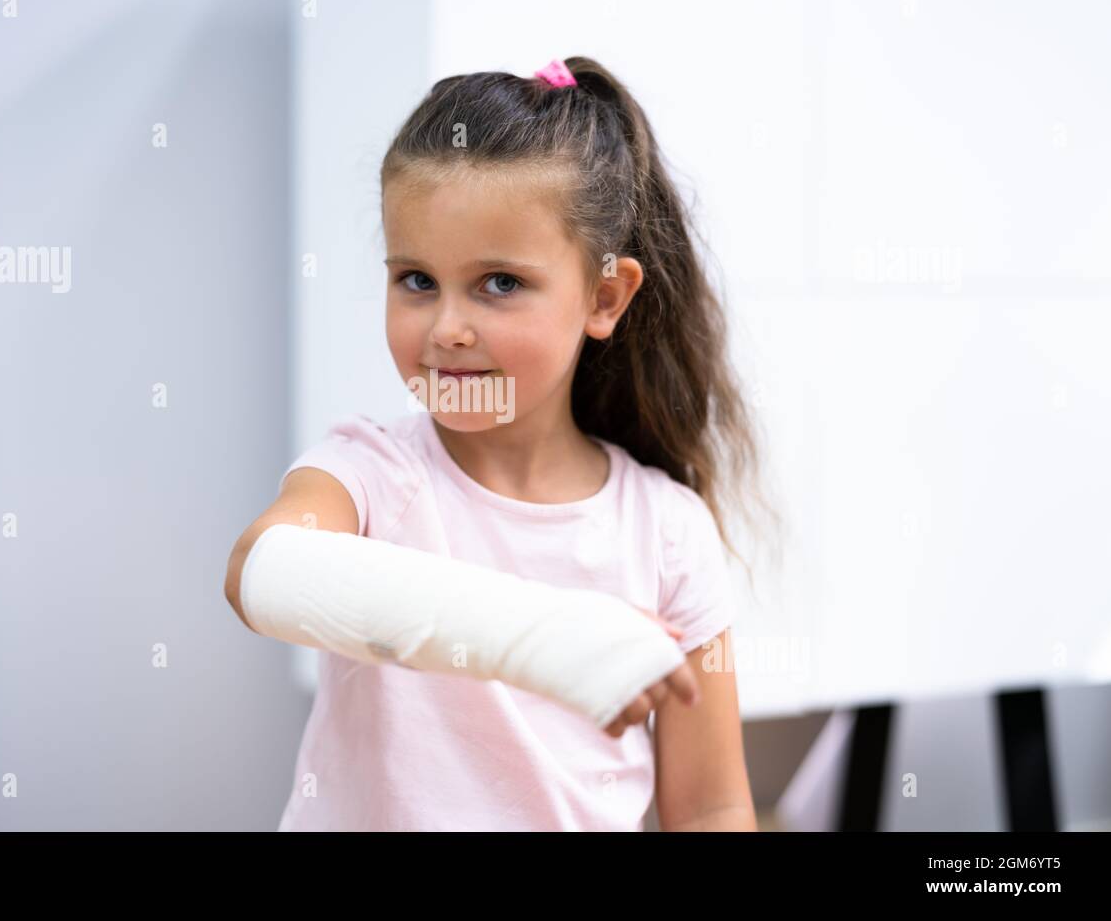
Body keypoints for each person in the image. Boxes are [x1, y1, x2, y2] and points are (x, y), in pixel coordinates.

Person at [225, 57, 770, 831]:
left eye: (500, 284)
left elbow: (712, 806)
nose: (446, 328)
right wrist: (544, 639)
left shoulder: (667, 532)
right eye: (416, 279)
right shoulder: (369, 475)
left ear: (604, 297)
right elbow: (259, 570)